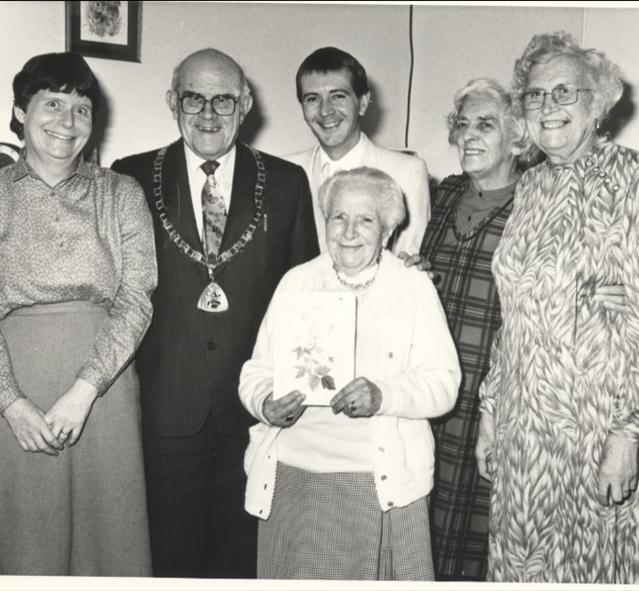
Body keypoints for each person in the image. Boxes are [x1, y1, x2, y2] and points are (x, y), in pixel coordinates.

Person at [0, 52, 156, 575]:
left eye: (82, 108)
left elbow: (136, 298)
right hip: (8, 390)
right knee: (19, 543)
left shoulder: (121, 194)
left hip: (102, 391)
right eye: (52, 103)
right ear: (20, 112)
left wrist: (85, 391)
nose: (67, 120)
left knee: (107, 541)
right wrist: (12, 405)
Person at [111, 48, 319, 578]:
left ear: (245, 103)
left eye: (223, 99)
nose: (208, 114)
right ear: (171, 103)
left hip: (254, 412)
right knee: (172, 559)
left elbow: (307, 299)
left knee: (243, 561)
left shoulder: (288, 181)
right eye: (194, 99)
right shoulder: (130, 177)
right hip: (166, 410)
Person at [477, 32, 639, 583]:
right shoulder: (531, 184)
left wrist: (628, 434)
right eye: (536, 96)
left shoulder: (633, 177)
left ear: (598, 101)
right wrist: (491, 412)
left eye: (565, 92)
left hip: (593, 426)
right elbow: (513, 308)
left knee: (588, 569)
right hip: (523, 426)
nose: (549, 106)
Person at [239, 167, 461, 580]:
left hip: (377, 483)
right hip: (295, 477)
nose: (349, 231)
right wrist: (266, 403)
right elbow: (255, 372)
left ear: (388, 231)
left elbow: (444, 386)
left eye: (366, 220)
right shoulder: (297, 281)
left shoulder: (412, 288)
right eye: (339, 217)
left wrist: (383, 395)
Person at [421, 78, 535, 581]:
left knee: (478, 521)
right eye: (462, 124)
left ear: (516, 138)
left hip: (494, 389)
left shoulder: (537, 202)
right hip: (433, 379)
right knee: (424, 510)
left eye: (485, 125)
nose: (468, 135)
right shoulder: (444, 193)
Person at [286, 46, 430, 255]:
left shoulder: (407, 172)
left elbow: (408, 262)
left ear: (362, 103)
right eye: (312, 98)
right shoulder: (284, 172)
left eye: (338, 96)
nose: (325, 110)